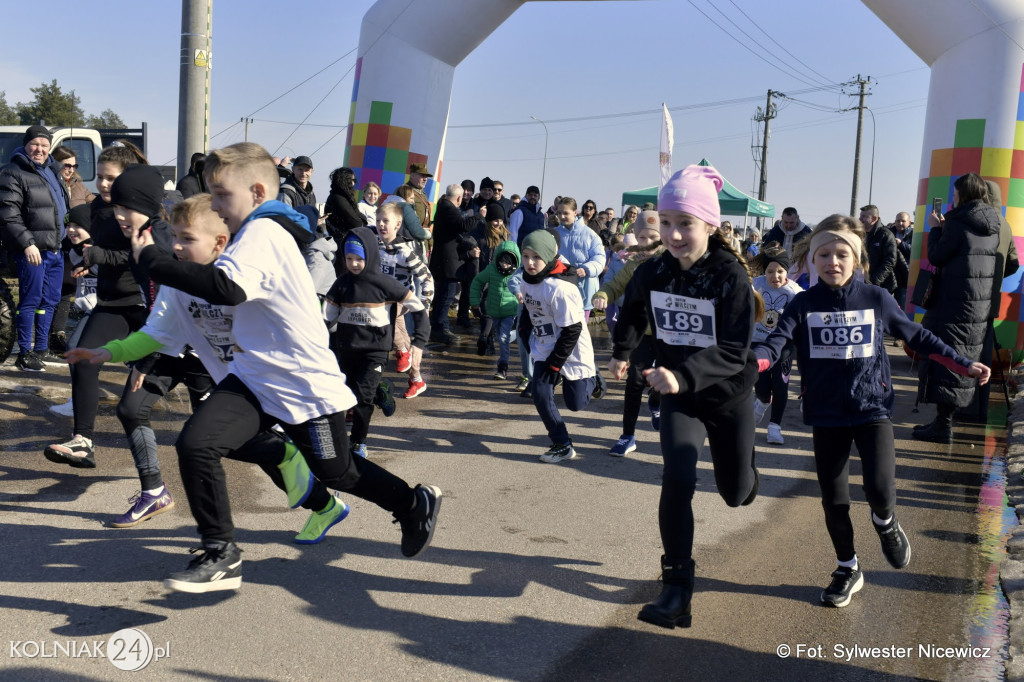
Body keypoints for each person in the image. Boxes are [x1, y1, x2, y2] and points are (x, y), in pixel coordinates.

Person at [130, 142, 442, 592]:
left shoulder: (263, 234)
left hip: (304, 385)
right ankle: (220, 553)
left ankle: (413, 503)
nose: (214, 205)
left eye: (221, 195)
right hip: (256, 378)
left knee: (338, 472)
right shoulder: (244, 234)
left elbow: (225, 288)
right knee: (198, 442)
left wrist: (154, 259)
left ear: (257, 192)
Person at [68, 194, 349, 543]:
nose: (121, 216)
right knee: (142, 413)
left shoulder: (237, 271)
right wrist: (119, 354)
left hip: (246, 376)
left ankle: (322, 499)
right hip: (178, 353)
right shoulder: (150, 253)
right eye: (175, 237)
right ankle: (168, 501)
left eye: (186, 238)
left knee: (307, 460)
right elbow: (158, 325)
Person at [754, 214, 990, 607]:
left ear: (857, 258)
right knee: (834, 499)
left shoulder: (876, 298)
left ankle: (885, 521)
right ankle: (847, 567)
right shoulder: (803, 303)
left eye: (841, 254)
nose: (832, 261)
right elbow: (775, 343)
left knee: (880, 490)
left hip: (872, 409)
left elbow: (917, 336)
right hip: (827, 414)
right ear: (811, 260)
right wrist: (753, 364)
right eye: (823, 254)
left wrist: (961, 363)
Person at [610, 164, 760, 629]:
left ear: (710, 225)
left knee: (736, 495)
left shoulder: (729, 276)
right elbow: (633, 309)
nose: (674, 234)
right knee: (676, 479)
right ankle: (676, 590)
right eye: (668, 222)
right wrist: (623, 352)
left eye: (686, 224)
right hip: (682, 397)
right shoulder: (654, 269)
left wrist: (684, 374)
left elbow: (735, 349)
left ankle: (745, 473)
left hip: (728, 396)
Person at [43, 144, 149, 464]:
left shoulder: (144, 212)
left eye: (110, 178)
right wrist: (84, 255)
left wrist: (100, 255)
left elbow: (140, 257)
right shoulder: (99, 211)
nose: (103, 184)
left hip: (147, 307)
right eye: (100, 177)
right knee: (82, 359)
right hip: (112, 303)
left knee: (181, 374)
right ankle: (83, 440)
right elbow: (87, 245)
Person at [913, 173, 1001, 443]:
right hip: (977, 305)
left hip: (951, 302)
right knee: (962, 358)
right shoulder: (994, 225)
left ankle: (943, 425)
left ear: (964, 194)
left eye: (955, 194)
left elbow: (937, 255)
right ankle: (944, 422)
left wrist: (935, 228)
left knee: (946, 358)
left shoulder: (956, 223)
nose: (953, 198)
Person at [325, 226, 427, 457]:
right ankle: (382, 389)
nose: (353, 264)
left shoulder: (384, 284)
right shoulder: (341, 284)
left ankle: (358, 442)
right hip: (347, 349)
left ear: (369, 255)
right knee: (346, 395)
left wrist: (418, 342)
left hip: (375, 351)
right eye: (348, 258)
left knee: (362, 399)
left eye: (359, 259)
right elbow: (325, 318)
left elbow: (419, 309)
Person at [520, 229, 604, 463]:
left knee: (575, 404)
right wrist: (526, 334)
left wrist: (556, 365)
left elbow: (572, 331)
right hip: (544, 347)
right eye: (525, 256)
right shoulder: (527, 280)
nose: (529, 263)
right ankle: (562, 443)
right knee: (540, 394)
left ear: (547, 257)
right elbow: (529, 309)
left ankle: (594, 378)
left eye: (535, 257)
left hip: (571, 349)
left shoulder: (560, 289)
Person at [592, 210, 663, 457]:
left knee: (665, 383)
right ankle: (627, 436)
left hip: (669, 335)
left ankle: (656, 402)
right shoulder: (632, 263)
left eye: (652, 237)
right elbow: (615, 285)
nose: (646, 243)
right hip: (641, 333)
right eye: (641, 237)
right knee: (634, 382)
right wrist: (603, 295)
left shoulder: (673, 262)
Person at [0, 125, 69, 372]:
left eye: (44, 145)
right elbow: (9, 214)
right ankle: (25, 353)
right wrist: (27, 243)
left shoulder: (54, 171)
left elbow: (61, 209)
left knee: (49, 300)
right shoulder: (12, 172)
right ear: (26, 145)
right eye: (35, 144)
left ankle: (41, 348)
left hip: (55, 249)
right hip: (32, 250)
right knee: (30, 300)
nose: (39, 149)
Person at [374, 202, 433, 399]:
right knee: (403, 341)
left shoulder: (404, 252)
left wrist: (424, 306)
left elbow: (427, 278)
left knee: (389, 326)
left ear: (398, 224)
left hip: (400, 300)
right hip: (381, 299)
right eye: (378, 221)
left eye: (386, 221)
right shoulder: (374, 245)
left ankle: (402, 353)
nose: (381, 225)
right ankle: (416, 379)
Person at [749, 246, 802, 445]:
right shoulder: (756, 285)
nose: (775, 276)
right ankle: (762, 401)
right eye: (770, 271)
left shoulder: (795, 292)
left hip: (783, 345)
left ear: (787, 271)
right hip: (758, 342)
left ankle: (775, 426)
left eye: (780, 271)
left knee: (781, 385)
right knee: (762, 386)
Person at [428, 184, 476, 346]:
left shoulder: (444, 207)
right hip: (446, 261)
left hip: (444, 260)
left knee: (444, 295)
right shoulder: (449, 208)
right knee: (446, 295)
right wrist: (477, 216)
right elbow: (463, 226)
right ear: (459, 198)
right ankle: (439, 328)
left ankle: (441, 326)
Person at [470, 239, 521, 379]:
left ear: (515, 261)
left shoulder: (518, 273)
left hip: (510, 311)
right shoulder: (492, 269)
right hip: (494, 312)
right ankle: (517, 333)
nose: (504, 265)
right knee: (501, 337)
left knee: (503, 338)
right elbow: (477, 281)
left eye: (508, 262)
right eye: (502, 261)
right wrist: (475, 302)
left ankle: (502, 367)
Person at [553, 197, 605, 321]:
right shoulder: (554, 234)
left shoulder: (590, 235)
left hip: (584, 287)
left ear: (575, 212)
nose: (562, 216)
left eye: (566, 213)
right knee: (563, 326)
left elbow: (599, 258)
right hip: (561, 287)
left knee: (581, 331)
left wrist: (586, 269)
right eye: (559, 213)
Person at [859, 205, 898, 295]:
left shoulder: (885, 235)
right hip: (861, 284)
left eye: (864, 217)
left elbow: (890, 261)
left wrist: (873, 281)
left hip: (882, 287)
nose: (860, 219)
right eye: (860, 216)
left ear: (874, 219)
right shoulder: (858, 234)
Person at [323, 167, 365, 244]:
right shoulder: (338, 199)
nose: (354, 183)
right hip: (341, 244)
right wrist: (362, 218)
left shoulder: (338, 197)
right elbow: (357, 223)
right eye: (352, 180)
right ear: (344, 181)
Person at [889, 211, 913, 309]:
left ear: (909, 222)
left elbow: (915, 251)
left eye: (903, 221)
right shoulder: (889, 233)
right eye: (898, 221)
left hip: (904, 277)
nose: (900, 223)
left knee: (901, 307)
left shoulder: (914, 234)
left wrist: (901, 244)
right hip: (890, 275)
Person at [407, 162, 434, 230]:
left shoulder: (423, 194)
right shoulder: (404, 191)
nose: (425, 179)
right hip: (410, 234)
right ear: (412, 175)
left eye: (426, 176)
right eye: (422, 176)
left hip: (423, 234)